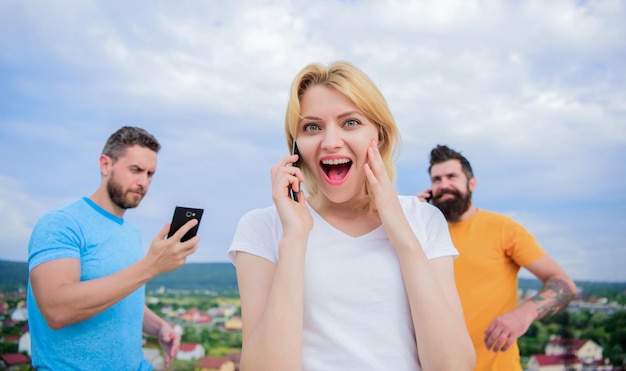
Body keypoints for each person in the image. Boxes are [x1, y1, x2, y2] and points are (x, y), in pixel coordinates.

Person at [228, 61, 476, 371]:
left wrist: (401, 232)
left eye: (350, 123)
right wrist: (294, 239)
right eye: (312, 127)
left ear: (380, 136)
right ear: (296, 146)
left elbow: (454, 367)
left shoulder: (424, 220)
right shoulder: (263, 227)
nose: (330, 142)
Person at [27, 126, 200, 370]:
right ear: (105, 165)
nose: (144, 182)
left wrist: (158, 327)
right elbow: (57, 309)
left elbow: (119, 294)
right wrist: (150, 266)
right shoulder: (62, 223)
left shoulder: (130, 232)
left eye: (150, 174)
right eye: (136, 170)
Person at [416, 145, 577, 371]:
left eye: (451, 176)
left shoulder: (504, 229)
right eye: (437, 179)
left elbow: (565, 285)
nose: (444, 185)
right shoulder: (420, 232)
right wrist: (410, 218)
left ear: (471, 183)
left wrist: (525, 313)